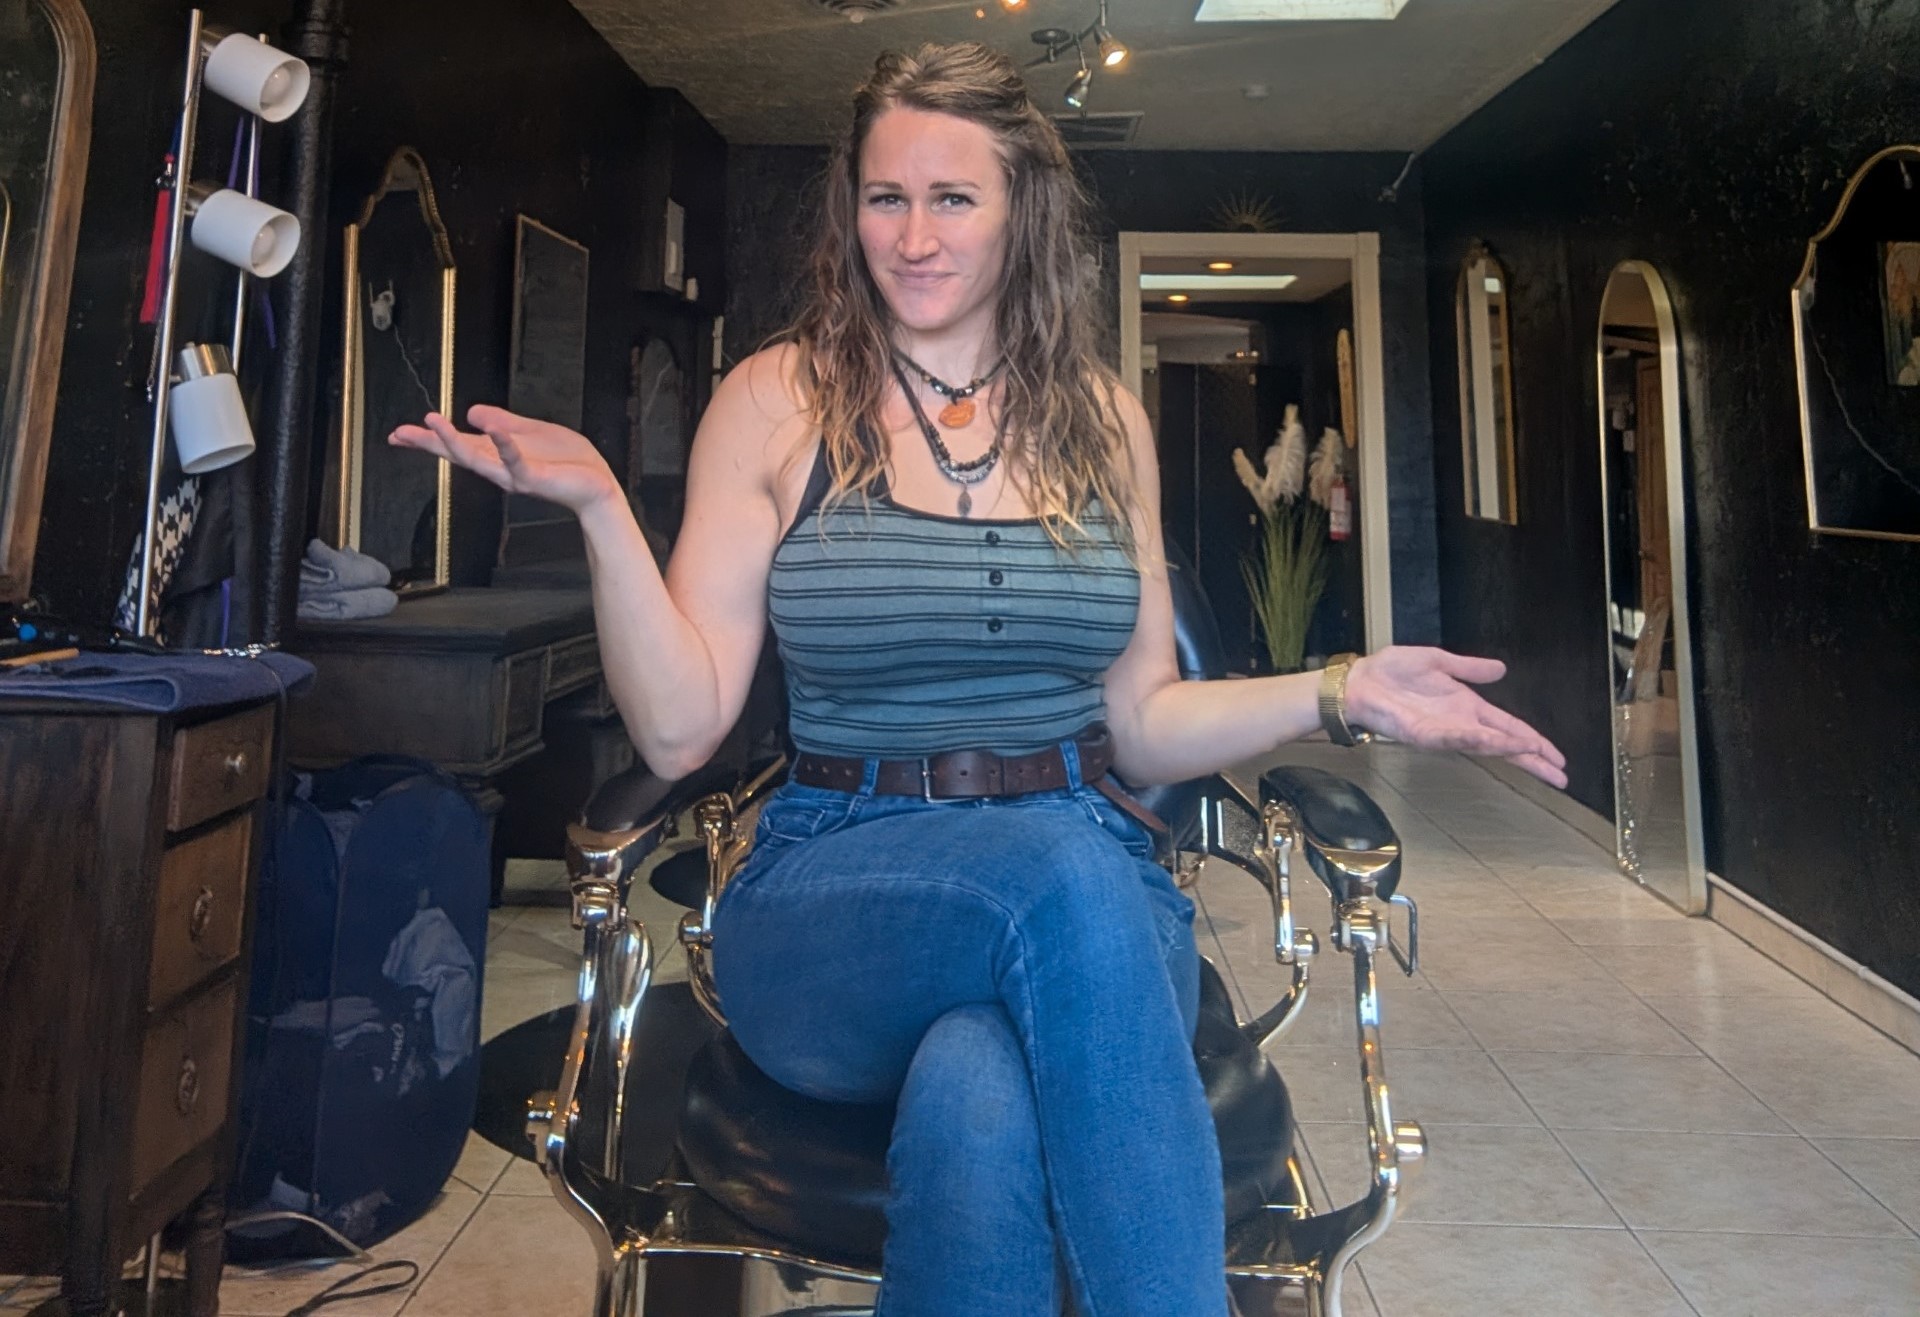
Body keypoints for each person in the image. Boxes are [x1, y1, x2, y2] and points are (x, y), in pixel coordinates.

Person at [393, 40, 1565, 1317]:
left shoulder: (1102, 421)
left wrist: (1343, 691)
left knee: (979, 1088)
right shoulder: (776, 401)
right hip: (838, 888)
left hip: (1083, 882)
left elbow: (1144, 721)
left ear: (1022, 212)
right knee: (1063, 882)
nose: (914, 234)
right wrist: (605, 509)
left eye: (954, 197)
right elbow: (678, 734)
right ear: (850, 212)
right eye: (884, 196)